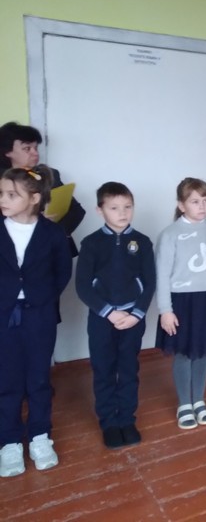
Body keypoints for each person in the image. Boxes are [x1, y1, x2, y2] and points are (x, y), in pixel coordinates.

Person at [0, 167, 72, 477]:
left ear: (34, 198)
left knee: (39, 378)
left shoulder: (52, 233)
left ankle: (40, 435)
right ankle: (9, 441)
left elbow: (62, 271)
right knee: (7, 379)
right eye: (1, 193)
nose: (3, 199)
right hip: (4, 315)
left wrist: (41, 298)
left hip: (39, 315)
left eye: (11, 195)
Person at [75, 182, 155, 449]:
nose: (122, 213)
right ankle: (109, 422)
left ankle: (127, 420)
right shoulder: (91, 244)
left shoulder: (142, 242)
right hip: (102, 320)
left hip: (133, 319)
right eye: (114, 208)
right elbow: (83, 286)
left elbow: (149, 283)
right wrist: (109, 313)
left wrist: (136, 314)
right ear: (100, 210)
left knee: (129, 369)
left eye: (127, 207)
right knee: (104, 370)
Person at [155, 178, 206, 430]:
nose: (202, 206)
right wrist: (165, 310)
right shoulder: (170, 235)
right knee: (183, 352)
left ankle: (198, 400)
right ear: (181, 205)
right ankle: (184, 404)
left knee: (203, 351)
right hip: (181, 302)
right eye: (195, 201)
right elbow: (162, 275)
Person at [0, 121, 86, 257]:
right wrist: (32, 222)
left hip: (51, 250)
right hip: (10, 252)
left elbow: (76, 211)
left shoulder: (48, 175)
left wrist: (53, 230)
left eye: (36, 148)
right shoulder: (2, 181)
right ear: (7, 151)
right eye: (27, 149)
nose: (35, 153)